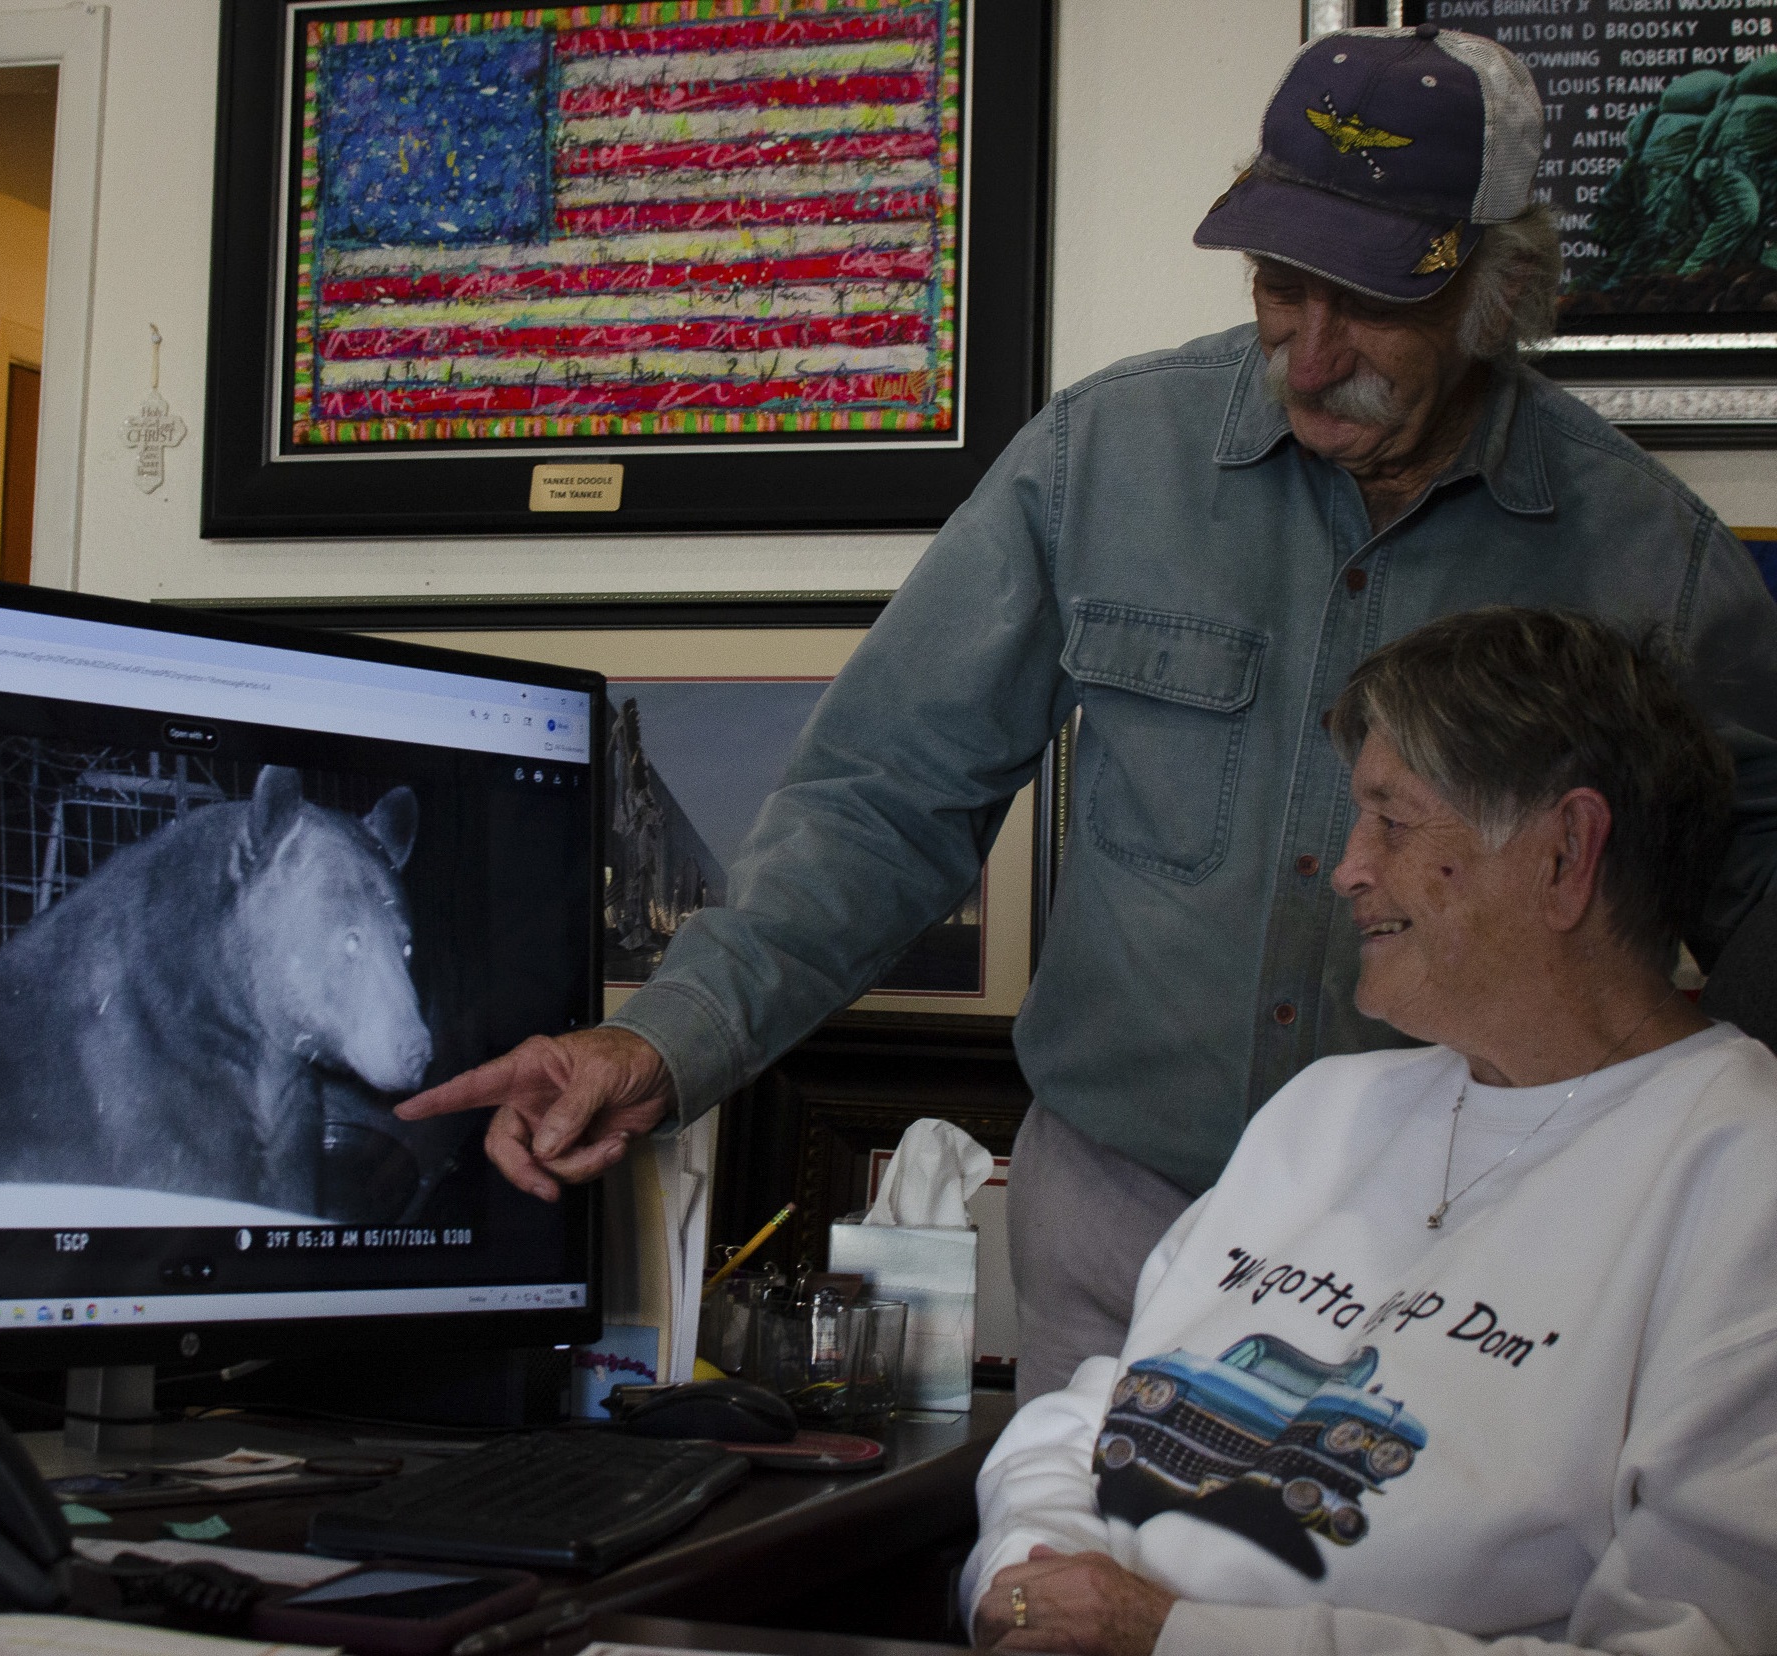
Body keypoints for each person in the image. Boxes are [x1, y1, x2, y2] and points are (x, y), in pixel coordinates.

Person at [397, 26, 1777, 1399]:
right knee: (1068, 1594)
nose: (1308, 356)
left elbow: (1757, 898)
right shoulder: (1105, 456)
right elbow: (884, 797)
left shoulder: (1647, 559)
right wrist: (667, 1036)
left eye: (1366, 306)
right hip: (1124, 1222)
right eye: (1276, 289)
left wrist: (1700, 1205)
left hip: (1475, 1246)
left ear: (1494, 290)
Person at [963, 607, 1777, 1656]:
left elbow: (1687, 1642)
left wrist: (1169, 1637)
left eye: (1392, 823)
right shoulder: (1329, 1107)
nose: (1346, 869)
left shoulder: (1740, 1174)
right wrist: (1031, 1576)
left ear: (1566, 854)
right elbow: (1096, 1409)